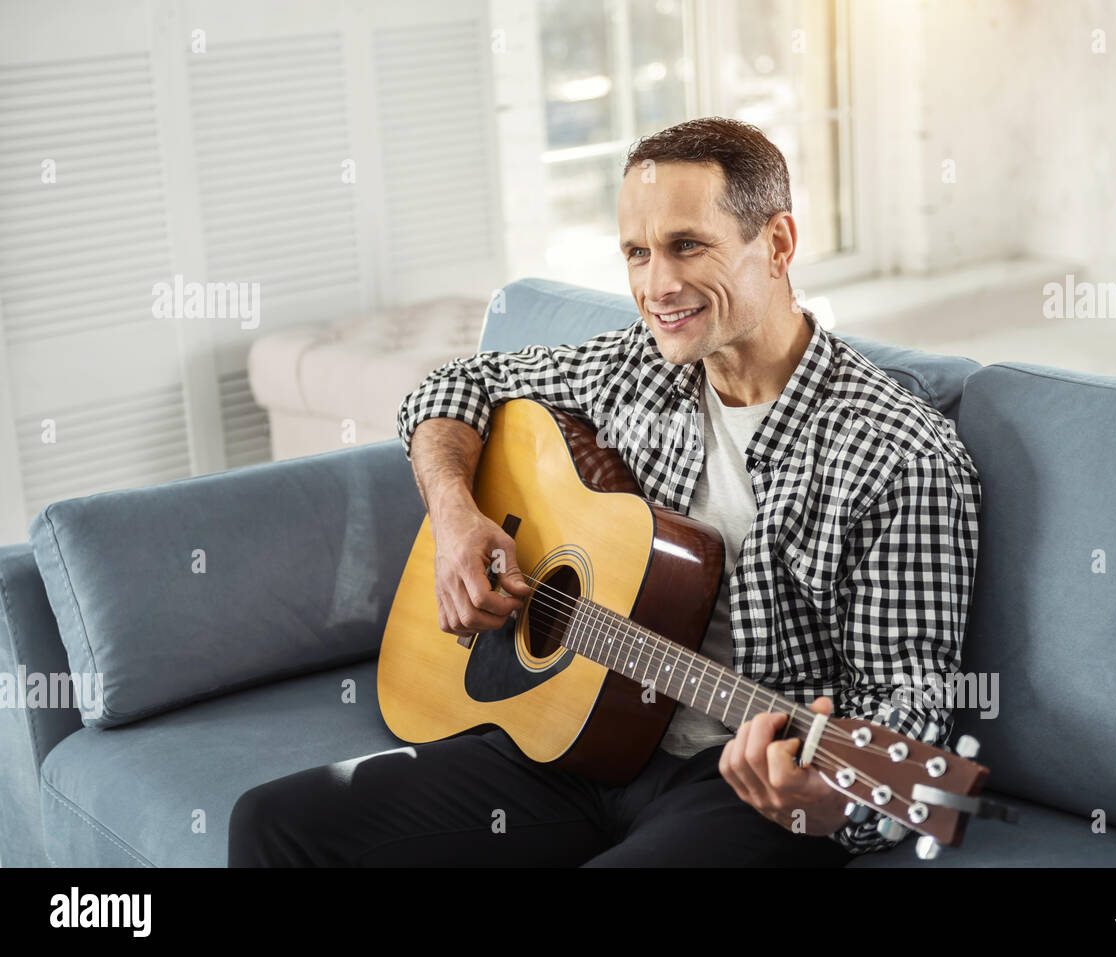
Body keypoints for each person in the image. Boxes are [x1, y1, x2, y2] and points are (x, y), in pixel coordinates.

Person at [228, 116, 980, 867]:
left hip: (736, 786)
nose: (657, 286)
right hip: (577, 734)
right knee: (273, 822)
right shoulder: (640, 365)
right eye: (636, 253)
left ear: (778, 244)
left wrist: (831, 800)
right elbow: (452, 385)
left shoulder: (898, 454)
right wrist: (455, 514)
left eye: (687, 245)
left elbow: (908, 707)